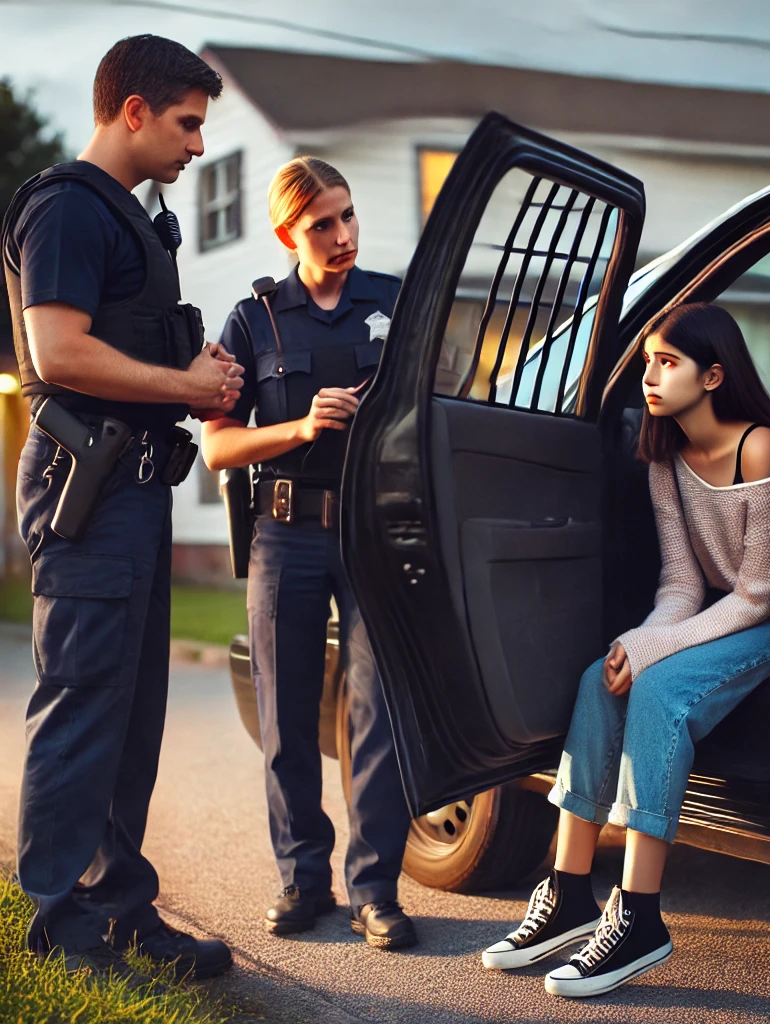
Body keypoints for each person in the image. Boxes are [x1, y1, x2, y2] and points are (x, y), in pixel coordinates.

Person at [480, 302, 770, 997]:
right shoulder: (667, 456)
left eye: (668, 362)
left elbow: (757, 594)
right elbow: (683, 582)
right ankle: (569, 890)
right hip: (723, 615)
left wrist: (655, 654)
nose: (650, 376)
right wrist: (636, 643)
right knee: (602, 680)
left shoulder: (764, 447)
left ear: (714, 374)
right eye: (647, 363)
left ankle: (638, 915)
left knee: (658, 688)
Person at [1, 36, 242, 978]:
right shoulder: (66, 208)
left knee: (132, 715)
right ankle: (59, 930)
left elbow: (130, 355)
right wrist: (177, 384)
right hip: (88, 491)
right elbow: (55, 354)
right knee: (82, 707)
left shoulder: (134, 220)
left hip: (132, 492)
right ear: (132, 111)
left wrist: (192, 379)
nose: (195, 145)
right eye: (187, 124)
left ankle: (120, 909)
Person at [202, 157, 416, 949]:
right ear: (288, 231)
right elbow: (219, 448)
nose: (342, 235)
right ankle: (302, 881)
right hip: (285, 532)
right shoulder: (254, 320)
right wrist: (299, 428)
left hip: (372, 532)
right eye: (323, 222)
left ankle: (375, 892)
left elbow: (436, 414)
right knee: (289, 718)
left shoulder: (394, 304)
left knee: (377, 716)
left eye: (349, 216)